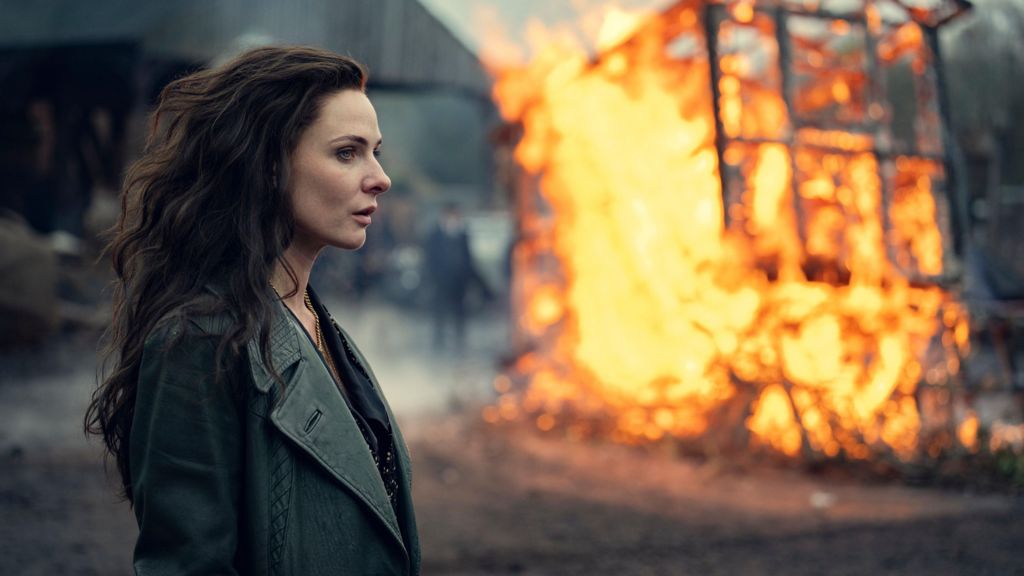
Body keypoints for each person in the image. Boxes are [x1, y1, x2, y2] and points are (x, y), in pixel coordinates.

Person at [84, 46, 419, 575]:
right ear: (267, 165)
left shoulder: (310, 316)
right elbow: (188, 565)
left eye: (375, 151)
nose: (381, 178)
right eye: (347, 153)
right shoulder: (198, 339)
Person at [423, 202, 491, 350]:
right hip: (441, 282)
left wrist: (472, 280)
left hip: (459, 282)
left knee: (459, 313)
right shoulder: (435, 235)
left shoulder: (463, 235)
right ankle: (438, 343)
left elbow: (468, 259)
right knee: (439, 313)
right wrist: (432, 278)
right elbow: (429, 259)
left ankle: (459, 342)